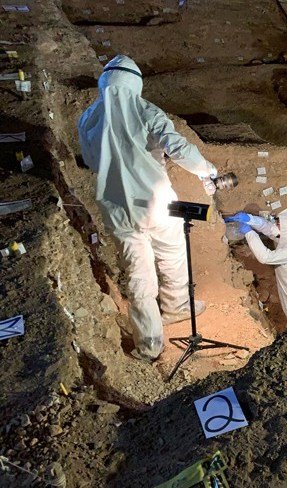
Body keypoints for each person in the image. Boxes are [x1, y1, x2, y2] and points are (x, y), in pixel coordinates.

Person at [78, 55, 218, 362]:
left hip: (116, 207)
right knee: (172, 252)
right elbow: (178, 148)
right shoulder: (146, 111)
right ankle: (177, 305)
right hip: (156, 202)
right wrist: (207, 169)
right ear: (134, 84)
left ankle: (150, 343)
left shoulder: (88, 117)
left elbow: (89, 160)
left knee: (137, 273)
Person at [224, 209, 287, 326]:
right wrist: (249, 219)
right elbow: (267, 228)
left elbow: (266, 257)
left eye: (279, 224)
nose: (276, 225)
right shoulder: (286, 237)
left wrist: (249, 233)